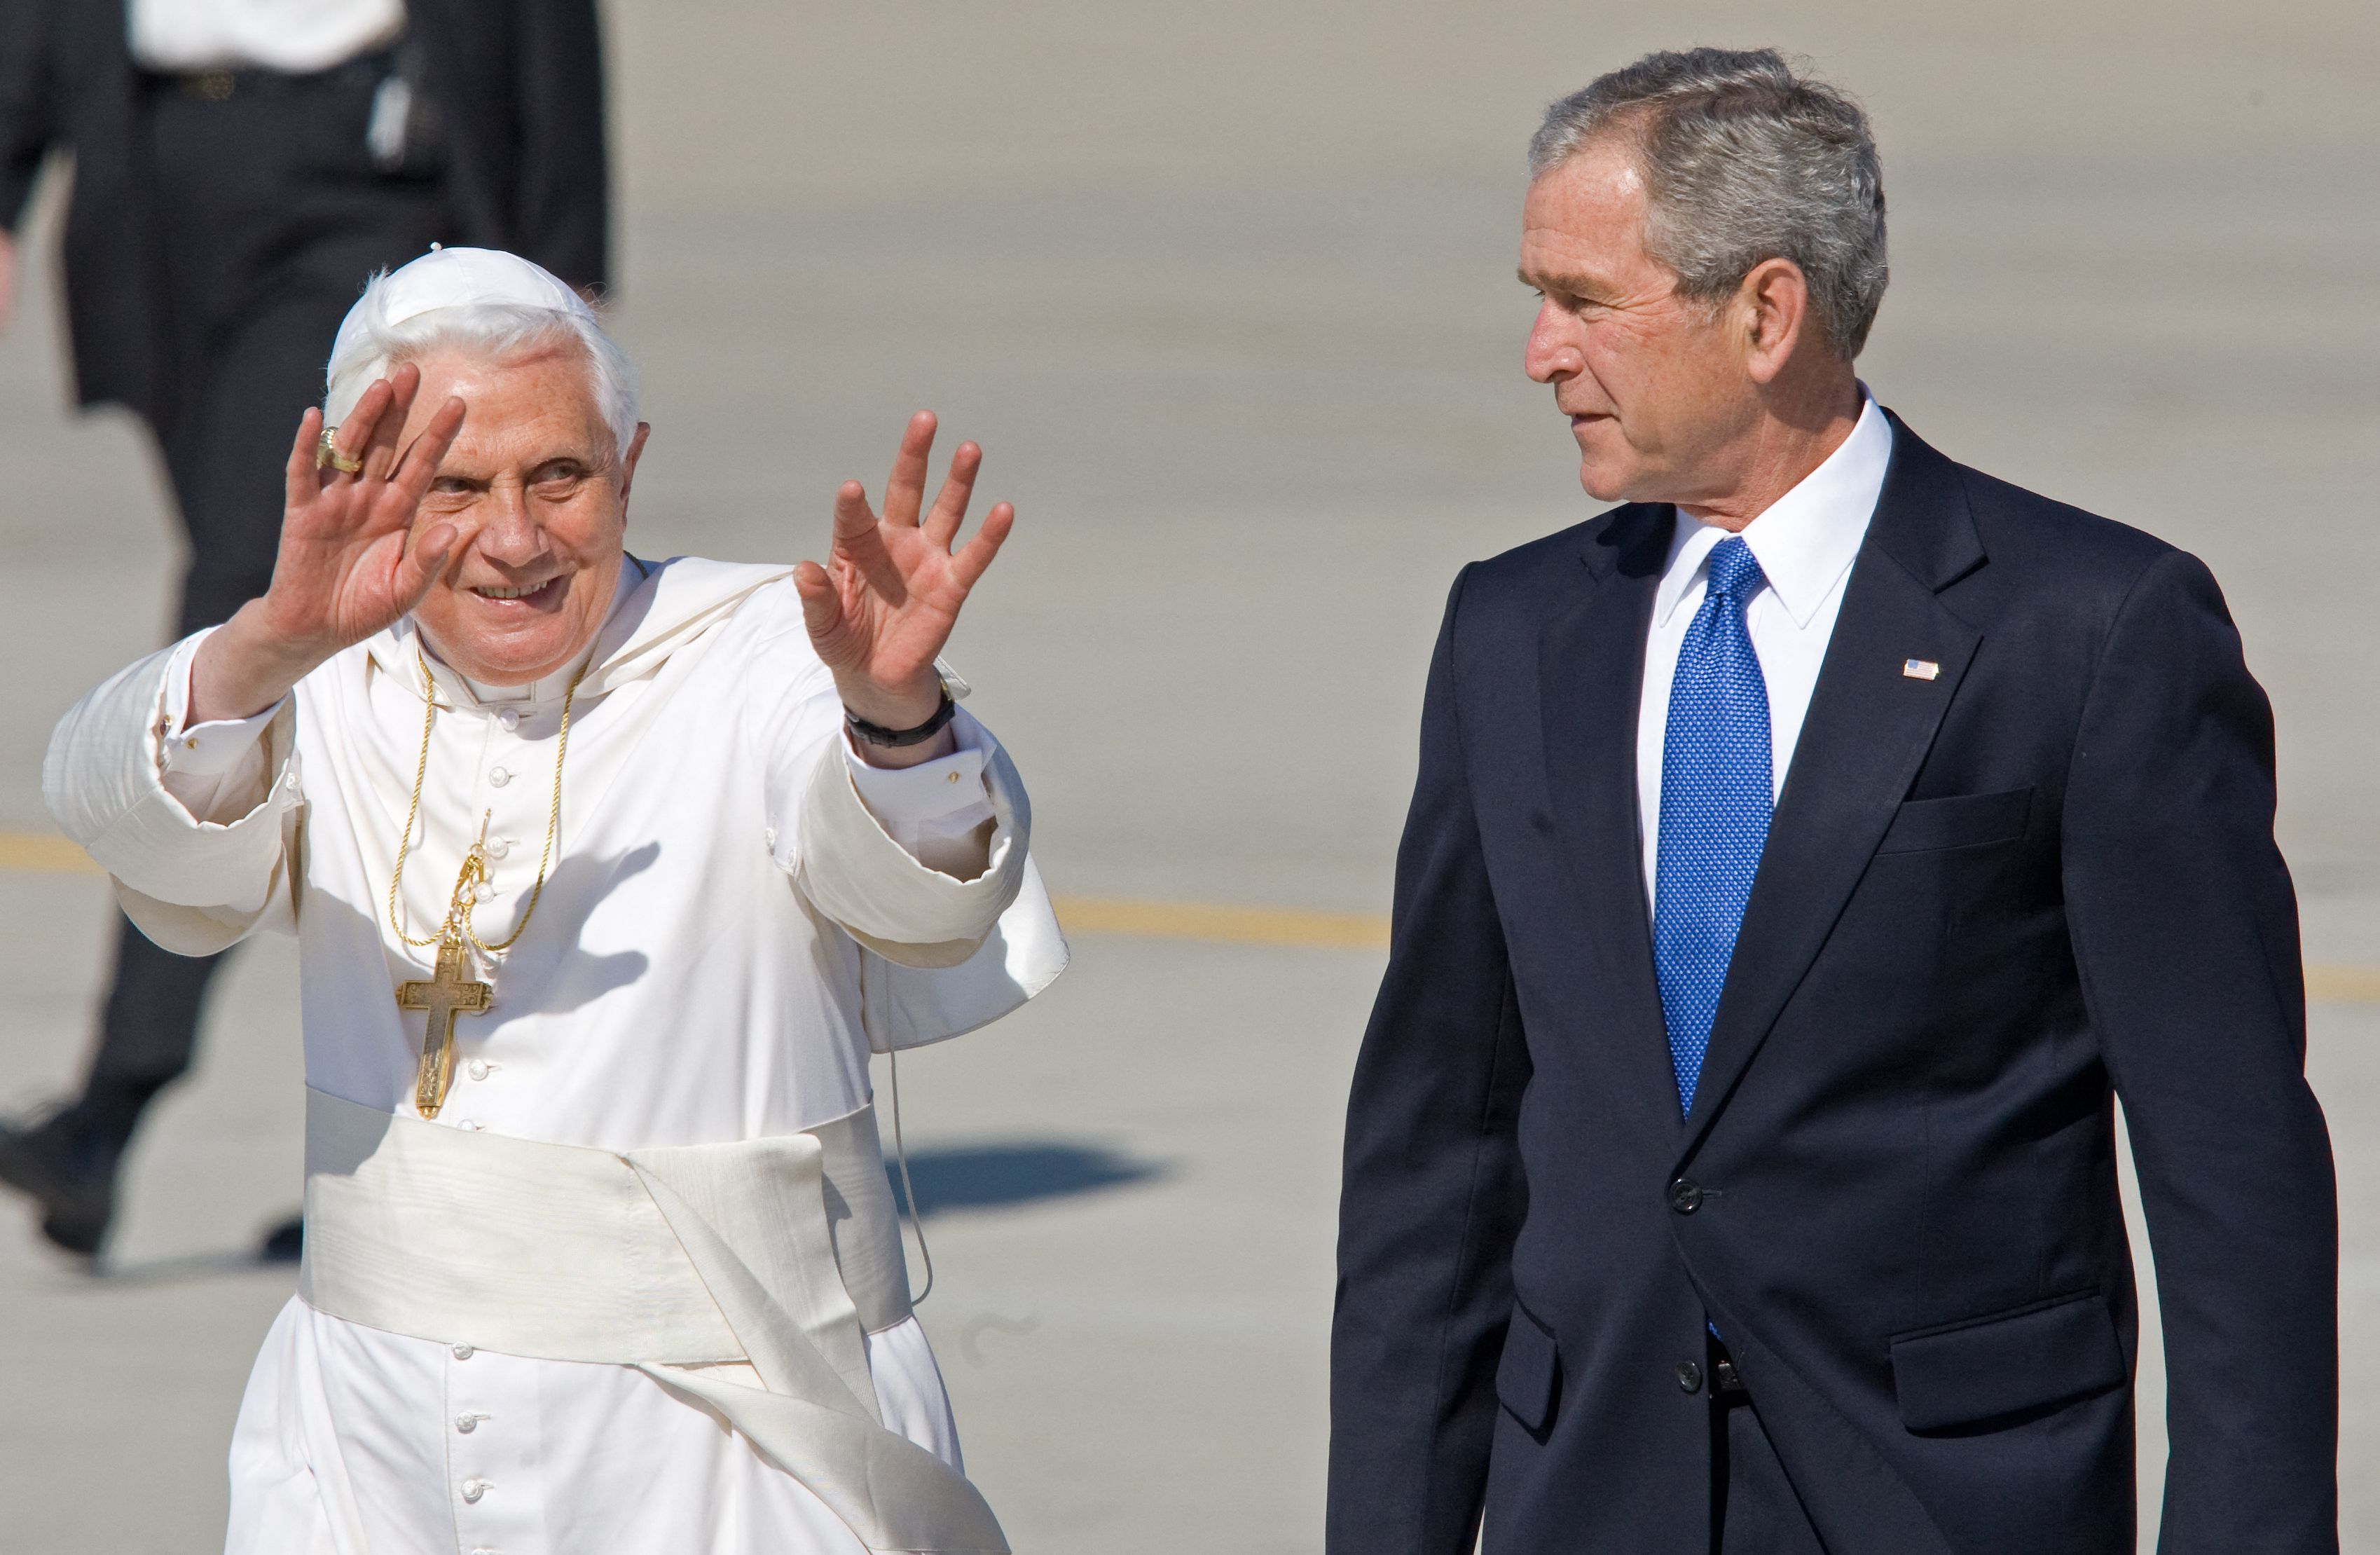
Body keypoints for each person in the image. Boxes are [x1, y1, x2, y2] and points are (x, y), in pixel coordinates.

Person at [1327, 47, 2337, 1555]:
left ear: (1765, 312)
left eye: (1589, 302)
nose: (1541, 351)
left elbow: (2231, 1176)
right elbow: (1436, 1158)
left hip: (1943, 1500)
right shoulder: (1511, 633)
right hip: (1593, 1490)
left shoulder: (2090, 630)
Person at [45, 245, 1062, 1553]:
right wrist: (264, 646)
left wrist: (899, 720)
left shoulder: (773, 653)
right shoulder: (320, 683)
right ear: (365, 487)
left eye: (559, 478)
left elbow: (927, 903)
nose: (515, 541)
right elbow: (127, 823)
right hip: (371, 1449)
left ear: (629, 467)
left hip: (731, 1445)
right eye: (455, 487)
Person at [0, 0, 607, 1256]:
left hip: (368, 172)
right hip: (154, 162)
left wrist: (563, 251)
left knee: (263, 601)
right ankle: (416, 1133)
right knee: (344, 649)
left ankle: (115, 1100)